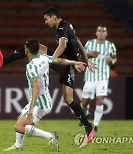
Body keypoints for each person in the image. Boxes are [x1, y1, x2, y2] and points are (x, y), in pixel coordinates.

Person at [3, 39, 86, 152]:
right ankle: (18, 145)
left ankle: (50, 136)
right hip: (44, 100)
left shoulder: (31, 66)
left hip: (39, 103)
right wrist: (74, 62)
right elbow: (59, 61)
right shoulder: (43, 57)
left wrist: (31, 109)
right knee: (21, 120)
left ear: (26, 50)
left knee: (19, 127)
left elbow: (36, 89)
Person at [43, 7, 95, 142]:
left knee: (68, 99)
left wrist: (51, 59)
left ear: (53, 17)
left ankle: (88, 126)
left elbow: (62, 45)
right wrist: (86, 59)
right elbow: (77, 41)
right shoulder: (67, 24)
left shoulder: (61, 28)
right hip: (66, 62)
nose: (45, 22)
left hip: (67, 64)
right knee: (35, 47)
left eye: (46, 19)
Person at [79, 25, 117, 132]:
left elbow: (114, 59)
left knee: (100, 100)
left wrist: (112, 61)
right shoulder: (90, 43)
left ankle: (95, 125)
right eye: (99, 31)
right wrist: (88, 54)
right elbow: (81, 56)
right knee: (84, 102)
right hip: (90, 76)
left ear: (106, 34)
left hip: (103, 77)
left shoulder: (110, 45)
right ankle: (85, 112)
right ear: (96, 33)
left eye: (103, 31)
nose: (101, 33)